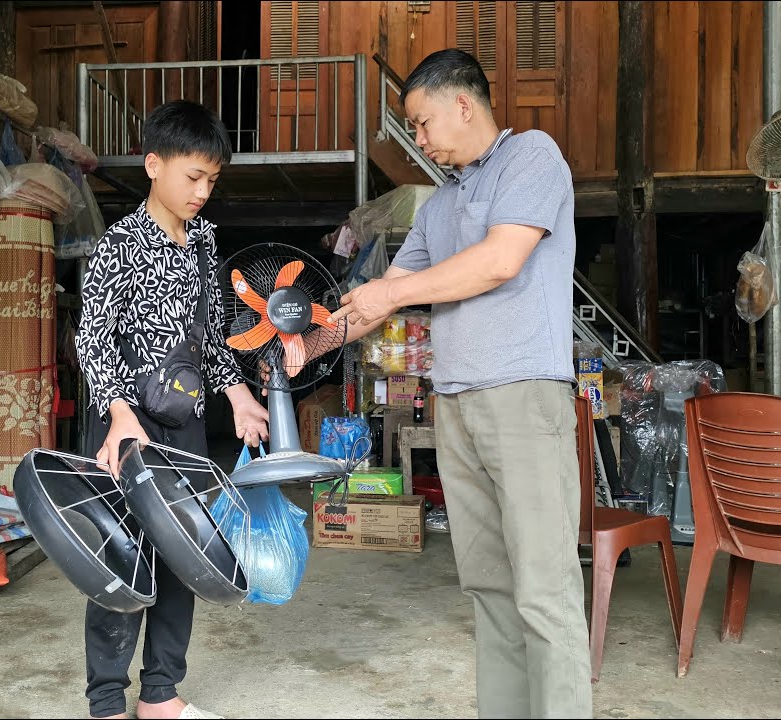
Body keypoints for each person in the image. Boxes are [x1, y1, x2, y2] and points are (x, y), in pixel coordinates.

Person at [320, 49, 591, 718]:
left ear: (462, 105)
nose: (418, 138)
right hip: (458, 406)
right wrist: (304, 346)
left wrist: (394, 294)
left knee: (543, 591)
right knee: (490, 588)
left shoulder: (532, 156)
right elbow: (378, 295)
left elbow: (500, 261)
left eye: (421, 122)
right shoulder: (443, 203)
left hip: (524, 398)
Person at [75, 99, 270, 720]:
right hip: (125, 421)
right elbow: (92, 335)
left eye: (212, 180)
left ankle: (161, 695)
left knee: (181, 554)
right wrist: (119, 414)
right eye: (193, 177)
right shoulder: (120, 243)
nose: (202, 192)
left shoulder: (205, 243)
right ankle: (106, 702)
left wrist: (238, 393)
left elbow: (209, 338)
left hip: (182, 420)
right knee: (121, 559)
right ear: (153, 165)